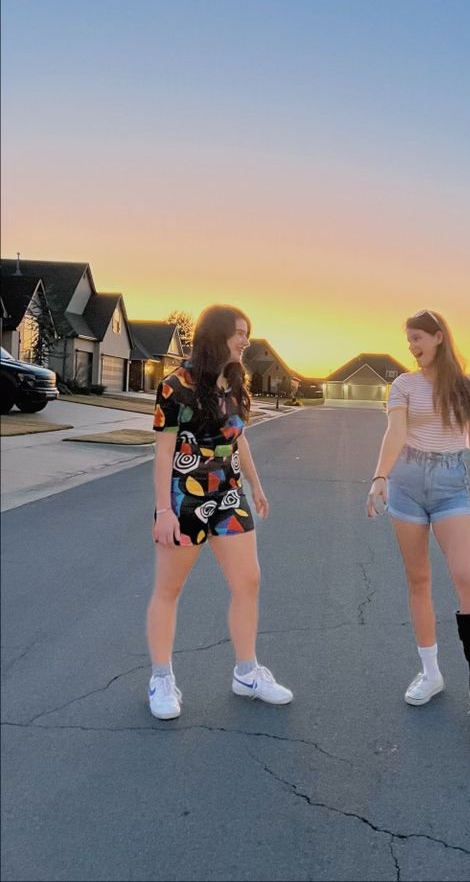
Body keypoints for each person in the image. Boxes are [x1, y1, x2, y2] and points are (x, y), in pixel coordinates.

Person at [367, 309, 470, 739]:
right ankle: (431, 672)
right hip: (406, 484)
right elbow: (394, 434)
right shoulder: (403, 385)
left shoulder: (468, 385)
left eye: (417, 338)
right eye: (409, 341)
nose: (412, 347)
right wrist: (380, 476)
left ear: (438, 337)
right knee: (419, 579)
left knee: (468, 579)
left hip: (451, 484)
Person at [146, 304, 292, 719]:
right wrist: (163, 511)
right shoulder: (176, 385)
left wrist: (257, 486)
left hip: (230, 498)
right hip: (185, 500)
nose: (246, 340)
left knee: (249, 581)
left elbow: (238, 438)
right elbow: (162, 454)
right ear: (217, 335)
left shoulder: (232, 382)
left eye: (247, 333)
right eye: (240, 333)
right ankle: (161, 678)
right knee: (168, 590)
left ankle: (247, 672)